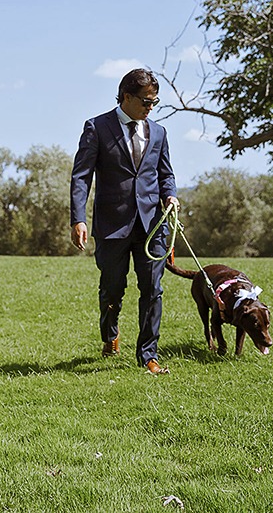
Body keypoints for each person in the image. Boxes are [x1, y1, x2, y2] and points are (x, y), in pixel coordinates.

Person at [69, 68, 179, 375]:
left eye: (154, 102)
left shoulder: (158, 133)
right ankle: (110, 334)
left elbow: (165, 174)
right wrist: (78, 218)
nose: (150, 108)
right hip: (112, 225)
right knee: (112, 289)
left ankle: (148, 355)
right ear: (127, 97)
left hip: (152, 225)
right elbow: (81, 177)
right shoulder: (97, 127)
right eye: (146, 101)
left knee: (153, 290)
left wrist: (170, 195)